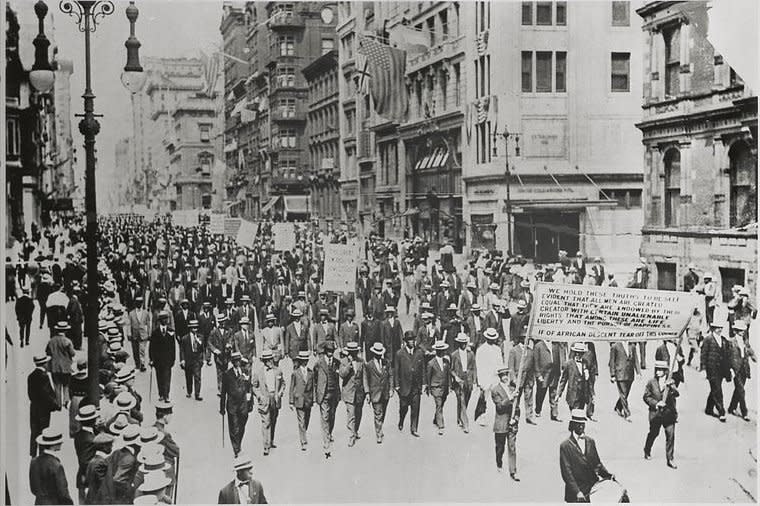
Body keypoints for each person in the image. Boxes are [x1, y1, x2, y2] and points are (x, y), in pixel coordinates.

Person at [559, 409, 614, 503]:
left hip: (592, 490)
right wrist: (577, 492)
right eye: (578, 423)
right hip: (575, 494)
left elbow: (597, 464)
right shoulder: (565, 446)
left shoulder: (590, 441)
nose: (581, 426)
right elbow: (567, 473)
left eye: (583, 424)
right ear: (572, 425)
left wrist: (608, 475)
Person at [643, 360, 679, 468]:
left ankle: (670, 459)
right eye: (657, 370)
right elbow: (646, 397)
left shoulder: (670, 382)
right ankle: (647, 449)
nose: (658, 372)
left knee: (670, 436)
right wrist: (656, 403)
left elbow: (677, 394)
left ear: (665, 371)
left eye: (660, 370)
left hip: (669, 414)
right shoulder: (651, 382)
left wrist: (671, 387)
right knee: (654, 433)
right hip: (656, 414)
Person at [252, 350, 285, 456]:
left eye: (271, 359)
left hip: (274, 398)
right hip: (265, 399)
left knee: (273, 420)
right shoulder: (258, 372)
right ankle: (266, 446)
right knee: (266, 422)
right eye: (268, 360)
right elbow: (254, 386)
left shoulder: (278, 371)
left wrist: (280, 393)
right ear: (264, 361)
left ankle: (271, 441)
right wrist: (259, 396)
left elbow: (283, 383)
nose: (270, 362)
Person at [220, 351, 253, 458]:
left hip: (243, 404)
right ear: (232, 362)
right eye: (235, 361)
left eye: (238, 360)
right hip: (232, 405)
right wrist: (222, 407)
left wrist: (250, 402)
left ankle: (238, 443)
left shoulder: (244, 371)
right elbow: (223, 392)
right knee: (234, 427)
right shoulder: (227, 374)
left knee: (242, 424)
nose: (237, 363)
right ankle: (236, 449)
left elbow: (249, 387)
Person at [29, 427, 74, 504]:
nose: (61, 444)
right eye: (60, 442)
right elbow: (63, 493)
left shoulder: (34, 462)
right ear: (54, 445)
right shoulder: (56, 465)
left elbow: (33, 489)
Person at [28, 354, 59, 457]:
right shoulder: (44, 376)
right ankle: (42, 453)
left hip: (34, 407)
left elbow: (30, 394)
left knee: (34, 431)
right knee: (43, 431)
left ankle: (33, 454)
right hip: (43, 410)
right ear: (44, 363)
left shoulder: (31, 376)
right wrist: (55, 405)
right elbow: (46, 394)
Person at [492, 366, 520, 481]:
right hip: (501, 423)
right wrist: (510, 397)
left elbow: (517, 407)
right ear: (499, 377)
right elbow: (500, 407)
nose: (505, 378)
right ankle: (499, 463)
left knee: (512, 447)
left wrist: (516, 418)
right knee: (500, 447)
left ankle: (513, 471)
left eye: (506, 375)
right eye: (502, 376)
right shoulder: (495, 390)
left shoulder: (513, 388)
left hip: (512, 422)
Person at [701, 318, 732, 422]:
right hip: (712, 369)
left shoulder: (724, 340)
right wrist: (703, 369)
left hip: (721, 370)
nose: (719, 329)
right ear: (713, 328)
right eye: (717, 327)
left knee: (715, 389)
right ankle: (721, 412)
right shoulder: (708, 339)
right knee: (717, 389)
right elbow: (703, 355)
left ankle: (709, 409)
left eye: (720, 327)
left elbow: (727, 355)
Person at [314, 341, 341, 458]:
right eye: (329, 351)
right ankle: (326, 441)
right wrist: (316, 395)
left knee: (332, 416)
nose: (330, 353)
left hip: (334, 393)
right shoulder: (319, 363)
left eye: (332, 351)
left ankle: (329, 433)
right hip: (323, 394)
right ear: (325, 351)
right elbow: (315, 380)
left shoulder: (336, 362)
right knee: (324, 417)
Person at [338, 341, 365, 446]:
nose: (353, 354)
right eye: (351, 352)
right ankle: (351, 435)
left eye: (355, 352)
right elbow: (342, 374)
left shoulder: (361, 361)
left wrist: (366, 392)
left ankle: (355, 431)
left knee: (358, 414)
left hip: (359, 392)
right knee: (351, 415)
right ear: (348, 352)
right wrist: (349, 365)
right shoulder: (344, 361)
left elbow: (365, 377)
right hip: (349, 392)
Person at [475, 328, 504, 426]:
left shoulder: (497, 349)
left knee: (497, 398)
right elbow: (479, 366)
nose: (492, 340)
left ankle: (497, 417)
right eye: (489, 338)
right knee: (484, 398)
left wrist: (502, 375)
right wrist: (480, 381)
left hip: (495, 377)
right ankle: (481, 416)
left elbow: (500, 363)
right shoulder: (481, 350)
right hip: (485, 377)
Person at [365, 342, 392, 444]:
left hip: (385, 393)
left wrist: (391, 389)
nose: (379, 355)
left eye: (380, 353)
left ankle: (380, 427)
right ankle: (379, 434)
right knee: (378, 414)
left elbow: (390, 376)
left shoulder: (386, 363)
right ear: (374, 353)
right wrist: (367, 393)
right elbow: (366, 379)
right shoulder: (369, 365)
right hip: (375, 393)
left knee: (383, 413)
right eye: (377, 353)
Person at [728, 320, 755, 421]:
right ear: (735, 331)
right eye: (740, 330)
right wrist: (730, 369)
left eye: (743, 330)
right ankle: (745, 412)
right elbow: (728, 356)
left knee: (739, 389)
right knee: (741, 390)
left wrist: (754, 357)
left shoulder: (745, 341)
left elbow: (749, 350)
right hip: (736, 369)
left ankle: (732, 408)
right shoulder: (730, 341)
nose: (742, 332)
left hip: (744, 367)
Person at [450, 332, 477, 433]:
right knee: (461, 401)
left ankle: (459, 417)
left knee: (465, 400)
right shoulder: (454, 355)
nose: (463, 344)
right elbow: (451, 369)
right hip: (459, 380)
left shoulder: (471, 354)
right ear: (458, 343)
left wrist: (474, 380)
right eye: (461, 342)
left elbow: (474, 367)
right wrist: (455, 377)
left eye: (464, 342)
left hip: (468, 379)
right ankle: (466, 424)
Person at [46, 321, 76, 408]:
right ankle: (65, 402)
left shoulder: (51, 341)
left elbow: (48, 352)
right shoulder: (67, 341)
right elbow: (73, 353)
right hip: (66, 366)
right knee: (66, 385)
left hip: (54, 366)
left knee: (57, 386)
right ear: (65, 331)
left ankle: (58, 404)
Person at [289, 350, 314, 451]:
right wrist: (291, 401)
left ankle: (304, 433)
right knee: (301, 421)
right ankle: (303, 441)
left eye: (306, 360)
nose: (305, 362)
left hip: (308, 400)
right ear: (300, 361)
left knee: (306, 420)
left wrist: (314, 399)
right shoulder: (295, 373)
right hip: (298, 400)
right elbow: (291, 387)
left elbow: (313, 387)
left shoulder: (310, 372)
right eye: (303, 360)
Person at [507, 335, 536, 424]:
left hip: (528, 379)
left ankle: (529, 416)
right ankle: (514, 416)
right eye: (525, 338)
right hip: (517, 379)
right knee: (516, 399)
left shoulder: (531, 351)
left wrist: (532, 379)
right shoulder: (514, 350)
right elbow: (510, 367)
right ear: (521, 339)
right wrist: (513, 379)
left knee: (529, 398)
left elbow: (532, 366)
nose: (527, 340)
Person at [609, 341, 640, 421]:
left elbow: (635, 359)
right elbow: (612, 361)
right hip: (620, 373)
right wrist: (612, 375)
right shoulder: (615, 346)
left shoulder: (632, 346)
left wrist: (638, 372)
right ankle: (627, 414)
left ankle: (618, 407)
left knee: (626, 393)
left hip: (630, 373)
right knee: (623, 393)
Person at [149, 311, 176, 402]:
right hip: (158, 360)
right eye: (164, 319)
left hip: (168, 360)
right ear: (160, 320)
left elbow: (173, 347)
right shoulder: (155, 332)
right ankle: (161, 394)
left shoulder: (171, 331)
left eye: (167, 318)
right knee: (159, 377)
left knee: (167, 378)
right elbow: (151, 347)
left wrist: (173, 359)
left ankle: (166, 395)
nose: (166, 320)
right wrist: (151, 359)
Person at [73, 405, 98, 503]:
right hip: (88, 478)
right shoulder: (90, 439)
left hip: (82, 476)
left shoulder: (79, 434)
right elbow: (85, 461)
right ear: (93, 420)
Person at [557, 342, 591, 413]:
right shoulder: (569, 364)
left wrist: (591, 394)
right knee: (575, 415)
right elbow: (563, 380)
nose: (578, 355)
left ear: (583, 353)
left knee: (580, 413)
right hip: (573, 395)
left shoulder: (585, 363)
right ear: (574, 353)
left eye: (580, 353)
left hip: (583, 395)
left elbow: (588, 382)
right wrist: (558, 394)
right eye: (577, 352)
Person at [534, 338, 563, 422]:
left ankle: (554, 414)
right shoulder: (538, 346)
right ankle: (538, 410)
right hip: (543, 374)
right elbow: (536, 361)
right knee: (541, 393)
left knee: (553, 393)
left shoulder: (555, 345)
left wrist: (559, 370)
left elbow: (558, 358)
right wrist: (538, 374)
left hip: (554, 373)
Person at [427, 341, 451, 435]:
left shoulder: (446, 361)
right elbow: (428, 377)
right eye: (440, 350)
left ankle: (436, 419)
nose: (442, 352)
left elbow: (448, 374)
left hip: (444, 387)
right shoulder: (431, 363)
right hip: (435, 387)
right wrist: (429, 389)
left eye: (443, 350)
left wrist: (450, 386)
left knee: (441, 405)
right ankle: (441, 426)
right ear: (437, 351)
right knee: (439, 404)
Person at [84, 432, 114, 505]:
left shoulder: (93, 460)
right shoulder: (101, 463)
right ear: (104, 446)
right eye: (109, 444)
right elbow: (104, 487)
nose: (112, 446)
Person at [179, 319, 204, 400]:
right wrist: (182, 360)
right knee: (189, 377)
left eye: (196, 328)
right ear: (190, 328)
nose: (195, 330)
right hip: (188, 359)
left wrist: (202, 359)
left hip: (197, 359)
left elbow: (202, 348)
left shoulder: (200, 337)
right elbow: (182, 350)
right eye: (193, 328)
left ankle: (197, 394)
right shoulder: (185, 338)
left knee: (197, 377)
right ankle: (189, 391)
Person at [129, 296, 151, 371]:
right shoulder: (131, 313)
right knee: (135, 351)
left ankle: (142, 364)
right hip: (134, 334)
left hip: (143, 334)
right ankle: (137, 363)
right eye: (137, 303)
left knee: (142, 350)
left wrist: (149, 333)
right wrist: (128, 333)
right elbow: (129, 324)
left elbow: (148, 324)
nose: (139, 304)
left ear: (142, 303)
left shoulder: (146, 313)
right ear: (135, 303)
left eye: (140, 303)